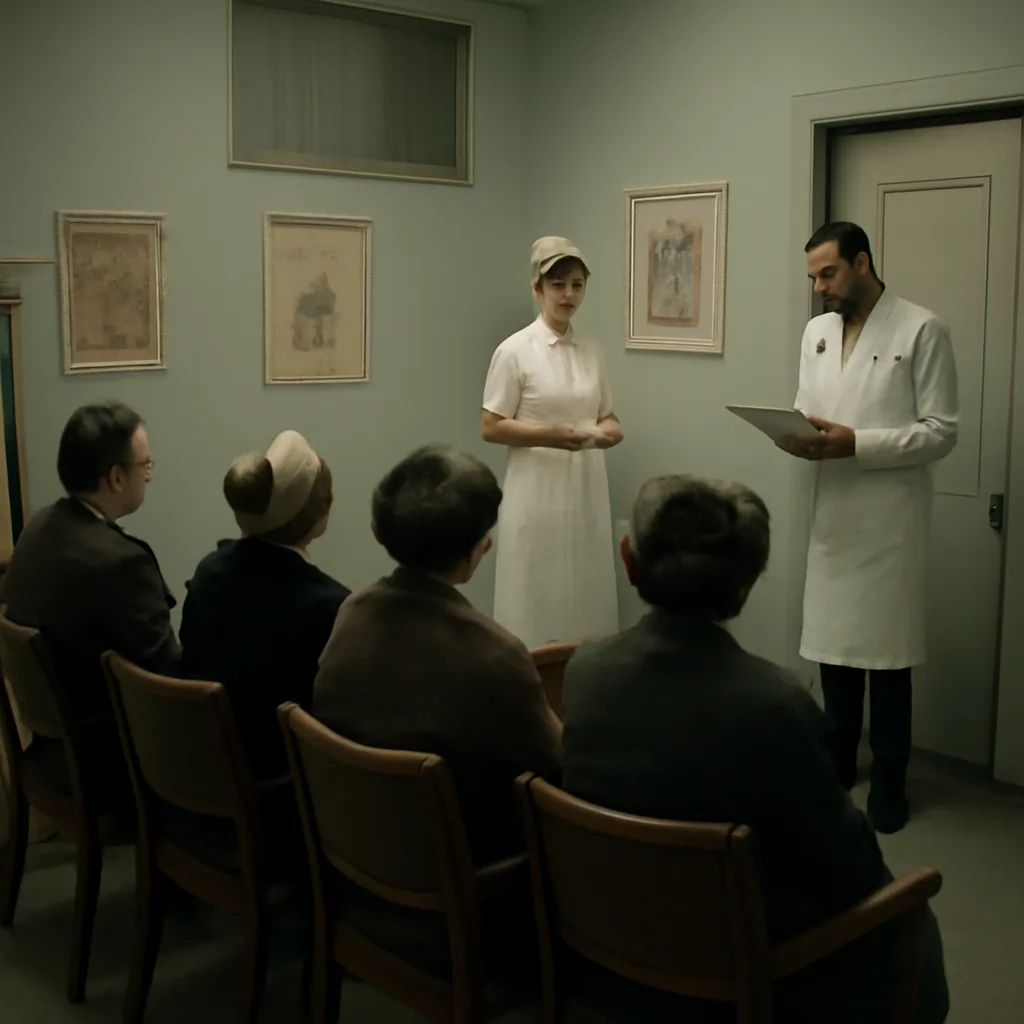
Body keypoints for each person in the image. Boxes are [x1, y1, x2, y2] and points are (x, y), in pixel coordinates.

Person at [560, 475, 949, 1024]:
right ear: (744, 587)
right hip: (744, 978)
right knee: (915, 923)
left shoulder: (583, 672)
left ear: (629, 559)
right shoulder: (776, 704)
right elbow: (853, 870)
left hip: (609, 953)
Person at [778, 222, 959, 834]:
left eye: (827, 274)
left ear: (861, 263)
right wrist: (795, 435)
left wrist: (859, 443)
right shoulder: (817, 334)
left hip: (889, 521)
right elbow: (806, 407)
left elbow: (941, 431)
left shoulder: (921, 329)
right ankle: (838, 762)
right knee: (834, 655)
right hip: (833, 514)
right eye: (813, 277)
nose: (819, 288)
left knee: (886, 663)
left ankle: (889, 781)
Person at [314, 444, 561, 866]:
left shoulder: (350, 614)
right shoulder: (496, 656)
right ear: (477, 552)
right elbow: (558, 772)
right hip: (465, 869)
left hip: (359, 850)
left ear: (376, 531)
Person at [1, 402, 179, 790]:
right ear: (116, 477)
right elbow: (167, 679)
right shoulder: (122, 563)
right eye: (145, 465)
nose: (149, 475)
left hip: (51, 742)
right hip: (105, 760)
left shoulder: (38, 528)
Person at [179, 430, 350, 779]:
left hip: (198, 767)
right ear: (321, 517)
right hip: (279, 787)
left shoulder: (209, 571)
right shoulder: (330, 607)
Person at [481, 236, 622, 649]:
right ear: (537, 289)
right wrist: (552, 436)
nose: (568, 295)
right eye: (558, 285)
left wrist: (611, 432)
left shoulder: (591, 351)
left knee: (586, 588)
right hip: (536, 491)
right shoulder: (514, 351)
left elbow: (607, 415)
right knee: (535, 592)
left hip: (586, 488)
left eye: (577, 285)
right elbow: (491, 425)